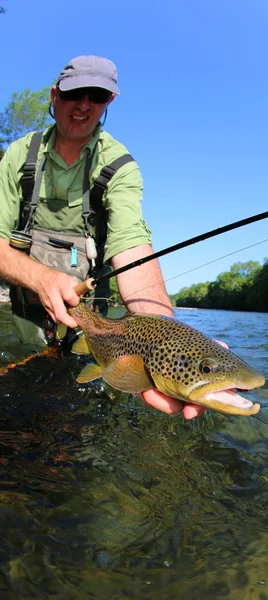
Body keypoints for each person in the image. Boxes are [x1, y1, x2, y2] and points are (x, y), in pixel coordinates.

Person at [0, 55, 205, 420]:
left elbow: (131, 246)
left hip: (98, 329)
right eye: (74, 93)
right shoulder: (19, 156)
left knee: (76, 426)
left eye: (95, 96)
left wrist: (172, 340)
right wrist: (41, 277)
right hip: (24, 315)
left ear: (109, 102)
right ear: (54, 96)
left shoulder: (120, 165)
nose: (83, 105)